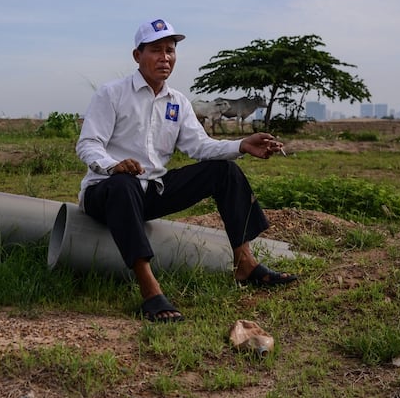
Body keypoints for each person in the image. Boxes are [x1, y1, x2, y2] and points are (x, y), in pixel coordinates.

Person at [75, 18, 297, 323]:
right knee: (124, 183)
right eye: (156, 50)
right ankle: (151, 291)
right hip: (107, 191)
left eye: (170, 50)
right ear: (137, 55)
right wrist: (115, 165)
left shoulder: (177, 102)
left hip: (151, 191)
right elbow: (88, 144)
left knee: (224, 171)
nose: (165, 58)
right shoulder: (112, 93)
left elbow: (200, 147)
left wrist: (242, 145)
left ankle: (245, 263)